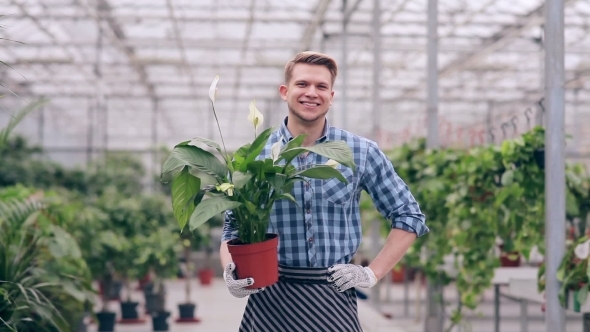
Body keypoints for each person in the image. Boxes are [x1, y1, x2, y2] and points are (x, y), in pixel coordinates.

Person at [219, 51, 428, 332]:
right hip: (271, 300)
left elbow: (409, 216)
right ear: (285, 91)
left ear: (331, 94)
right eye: (302, 84)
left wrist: (371, 273)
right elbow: (232, 229)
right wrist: (230, 271)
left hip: (333, 297)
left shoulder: (360, 152)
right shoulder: (257, 157)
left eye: (320, 87)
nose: (311, 93)